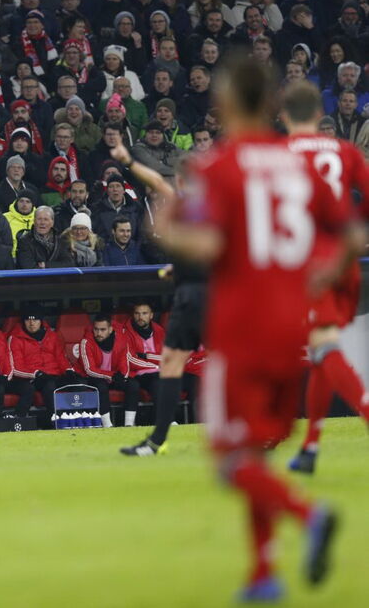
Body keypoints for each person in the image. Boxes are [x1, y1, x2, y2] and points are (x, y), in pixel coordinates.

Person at [146, 58, 342, 602]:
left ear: (228, 103)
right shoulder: (301, 166)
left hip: (242, 329)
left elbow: (209, 245)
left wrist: (167, 233)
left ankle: (311, 514)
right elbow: (345, 233)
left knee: (232, 461)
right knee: (257, 456)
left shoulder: (219, 167)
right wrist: (320, 272)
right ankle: (263, 574)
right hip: (291, 328)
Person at [280, 82, 369, 475]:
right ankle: (311, 448)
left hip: (308, 262)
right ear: (319, 115)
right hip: (346, 259)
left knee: (324, 344)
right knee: (319, 353)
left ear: (284, 117)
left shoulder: (279, 154)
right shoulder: (345, 151)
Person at [114, 142, 210, 456]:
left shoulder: (184, 203)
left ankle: (157, 441)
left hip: (195, 294)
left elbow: (156, 183)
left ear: (181, 180)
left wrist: (128, 160)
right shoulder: (220, 205)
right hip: (220, 293)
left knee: (171, 365)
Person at [7, 307, 78, 418]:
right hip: (34, 378)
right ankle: (55, 421)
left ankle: (83, 418)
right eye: (28, 320)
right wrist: (36, 374)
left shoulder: (52, 336)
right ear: (23, 322)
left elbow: (61, 358)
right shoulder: (16, 338)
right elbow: (16, 367)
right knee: (49, 386)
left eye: (35, 320)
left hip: (54, 375)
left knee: (78, 383)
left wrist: (68, 370)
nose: (31, 323)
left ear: (41, 321)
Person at [73, 314, 130, 427]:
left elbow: (125, 364)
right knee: (101, 387)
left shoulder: (121, 340)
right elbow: (89, 370)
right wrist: (112, 376)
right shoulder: (86, 341)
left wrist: (122, 377)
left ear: (110, 329)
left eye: (103, 330)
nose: (99, 333)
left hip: (112, 376)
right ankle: (107, 425)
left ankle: (129, 424)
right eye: (96, 329)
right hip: (92, 377)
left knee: (132, 385)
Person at [121, 303, 166, 427]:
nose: (140, 317)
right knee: (133, 385)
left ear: (151, 315)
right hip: (134, 373)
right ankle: (129, 424)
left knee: (160, 383)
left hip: (155, 373)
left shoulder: (159, 331)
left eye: (144, 313)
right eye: (137, 313)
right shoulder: (125, 331)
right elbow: (129, 359)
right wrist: (155, 365)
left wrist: (146, 356)